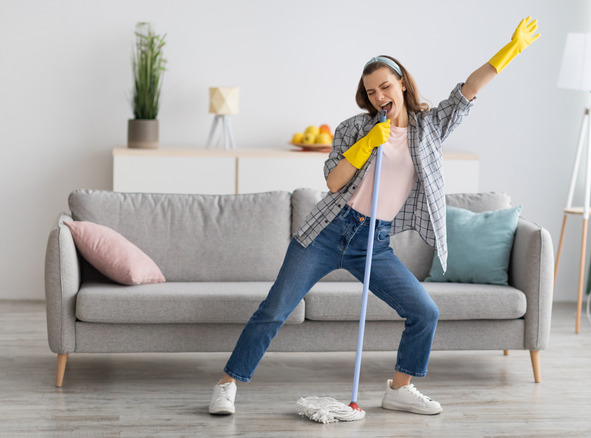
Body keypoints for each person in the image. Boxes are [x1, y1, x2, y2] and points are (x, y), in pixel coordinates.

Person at [209, 16, 540, 416]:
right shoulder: (354, 128)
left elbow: (468, 90)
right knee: (274, 310)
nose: (380, 95)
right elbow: (334, 182)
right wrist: (368, 143)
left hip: (374, 242)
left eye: (386, 86)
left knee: (424, 311)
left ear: (402, 84)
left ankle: (399, 389)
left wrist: (509, 51)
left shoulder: (430, 126)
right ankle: (228, 384)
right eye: (371, 91)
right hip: (327, 232)